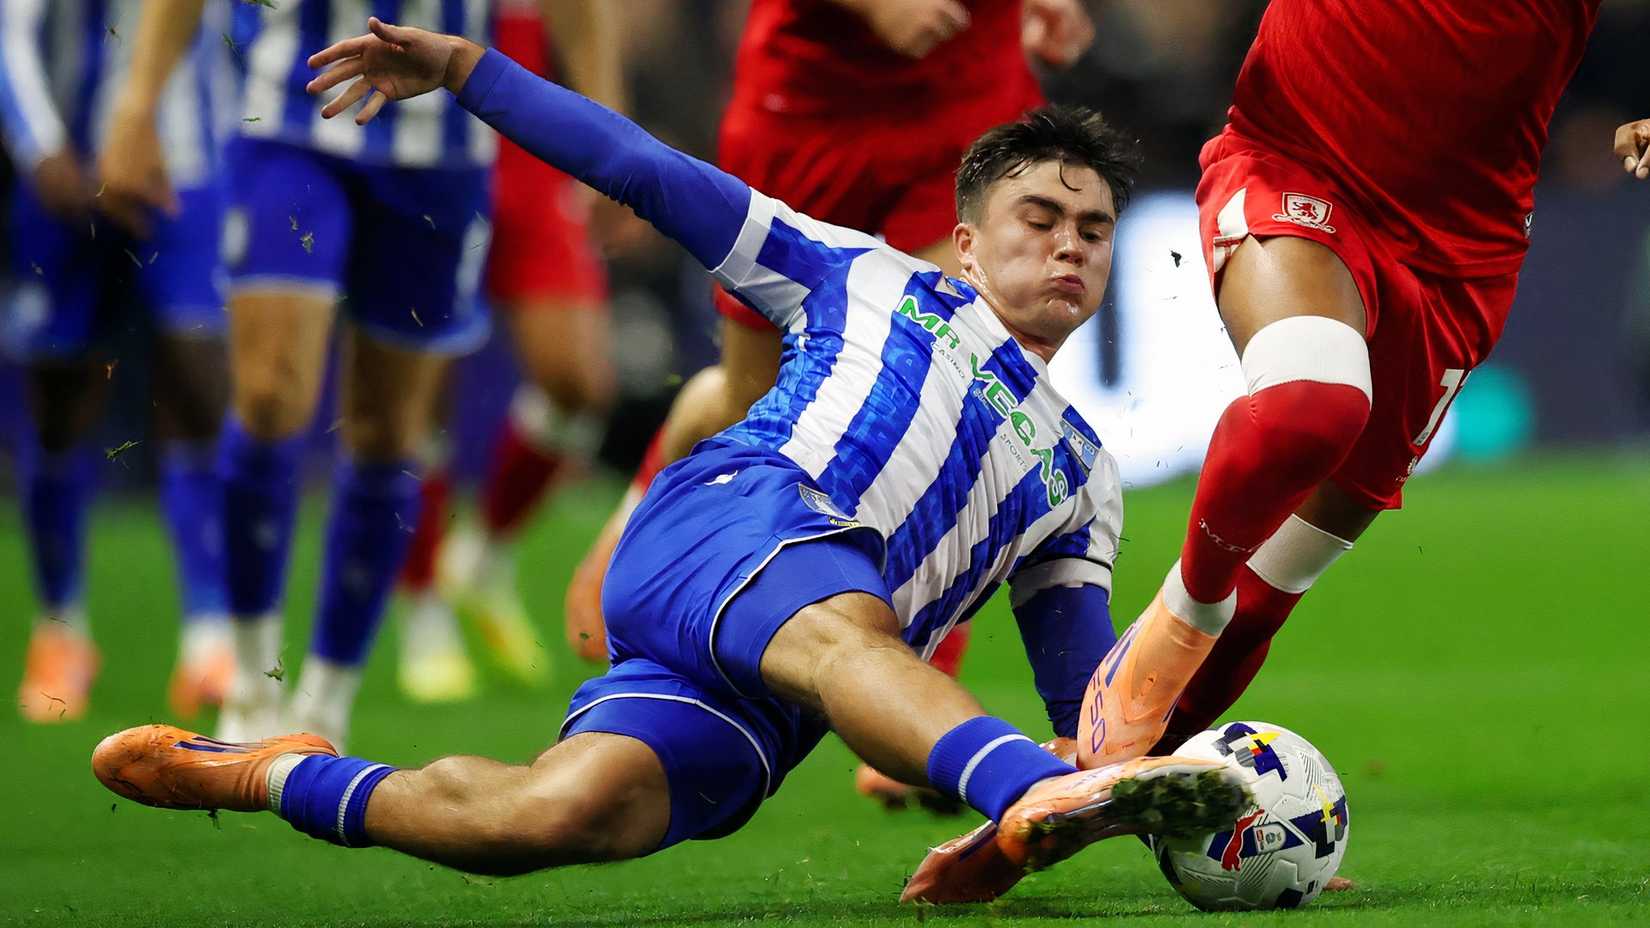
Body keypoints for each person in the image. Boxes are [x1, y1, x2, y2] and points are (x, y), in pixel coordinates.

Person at [92, 18, 1251, 887]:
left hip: (780, 686)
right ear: (966, 240)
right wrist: (467, 70)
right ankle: (1011, 788)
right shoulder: (856, 271)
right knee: (849, 625)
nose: (1069, 245)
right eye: (1038, 219)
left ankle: (277, 771)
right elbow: (644, 170)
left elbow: (1091, 711)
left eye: (1093, 229)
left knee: (552, 817)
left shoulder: (1084, 476)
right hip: (741, 524)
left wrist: (1225, 840)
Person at [906, 0, 1650, 903]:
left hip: (1463, 251)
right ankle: (1184, 610)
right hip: (1300, 155)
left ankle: (1049, 809)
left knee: (1277, 584)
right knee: (1312, 404)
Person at [559, 0, 1095, 808]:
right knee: (756, 401)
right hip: (810, 108)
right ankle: (663, 482)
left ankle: (922, 698)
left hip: (966, 99)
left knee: (959, 370)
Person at [95, 0, 604, 749]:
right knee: (270, 398)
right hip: (289, 114)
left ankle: (325, 710)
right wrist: (136, 103)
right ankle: (250, 685)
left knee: (388, 431)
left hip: (443, 141)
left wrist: (601, 124)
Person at [0, 0, 235, 722]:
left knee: (199, 382)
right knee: (60, 401)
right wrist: (41, 149)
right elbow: (12, 30)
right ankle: (61, 629)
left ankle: (210, 638)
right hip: (65, 175)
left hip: (181, 169)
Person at [393, 0, 624, 702]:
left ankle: (483, 556)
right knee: (419, 387)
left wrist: (609, 131)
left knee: (579, 383)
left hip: (523, 128)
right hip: (419, 133)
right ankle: (422, 607)